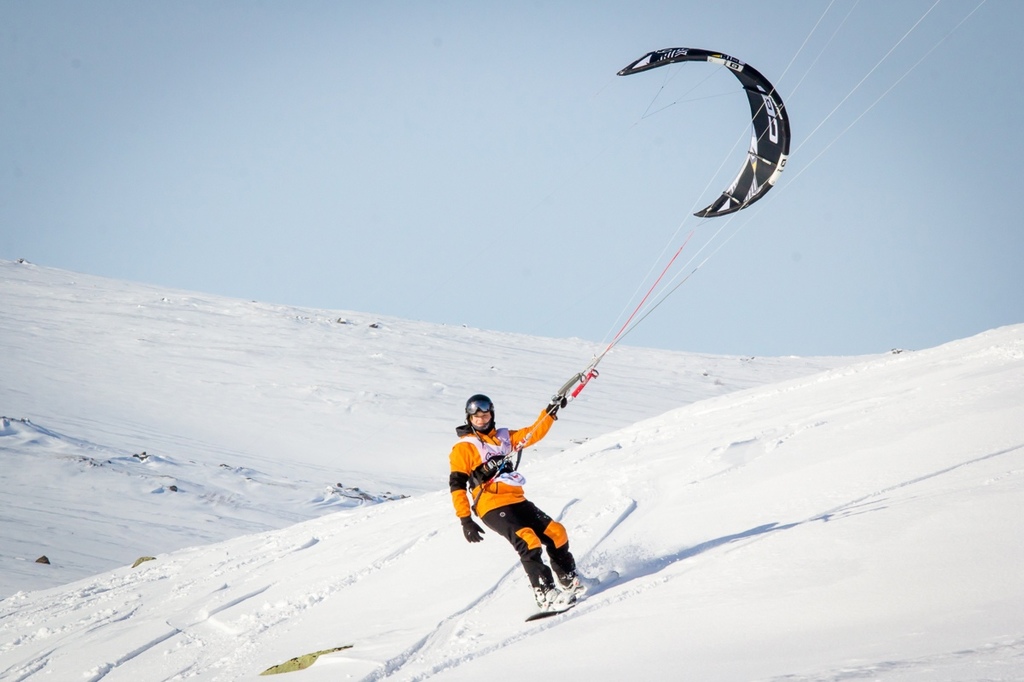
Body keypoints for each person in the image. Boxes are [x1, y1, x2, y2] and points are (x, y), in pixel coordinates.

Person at [448, 392, 581, 610]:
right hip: (490, 505)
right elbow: (456, 486)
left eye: (485, 414)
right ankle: (545, 593)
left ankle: (569, 580)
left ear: (491, 414)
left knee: (556, 532)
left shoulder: (504, 438)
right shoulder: (464, 448)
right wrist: (465, 519)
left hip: (516, 500)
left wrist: (550, 412)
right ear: (469, 418)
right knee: (528, 540)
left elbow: (533, 433)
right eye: (476, 416)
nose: (481, 419)